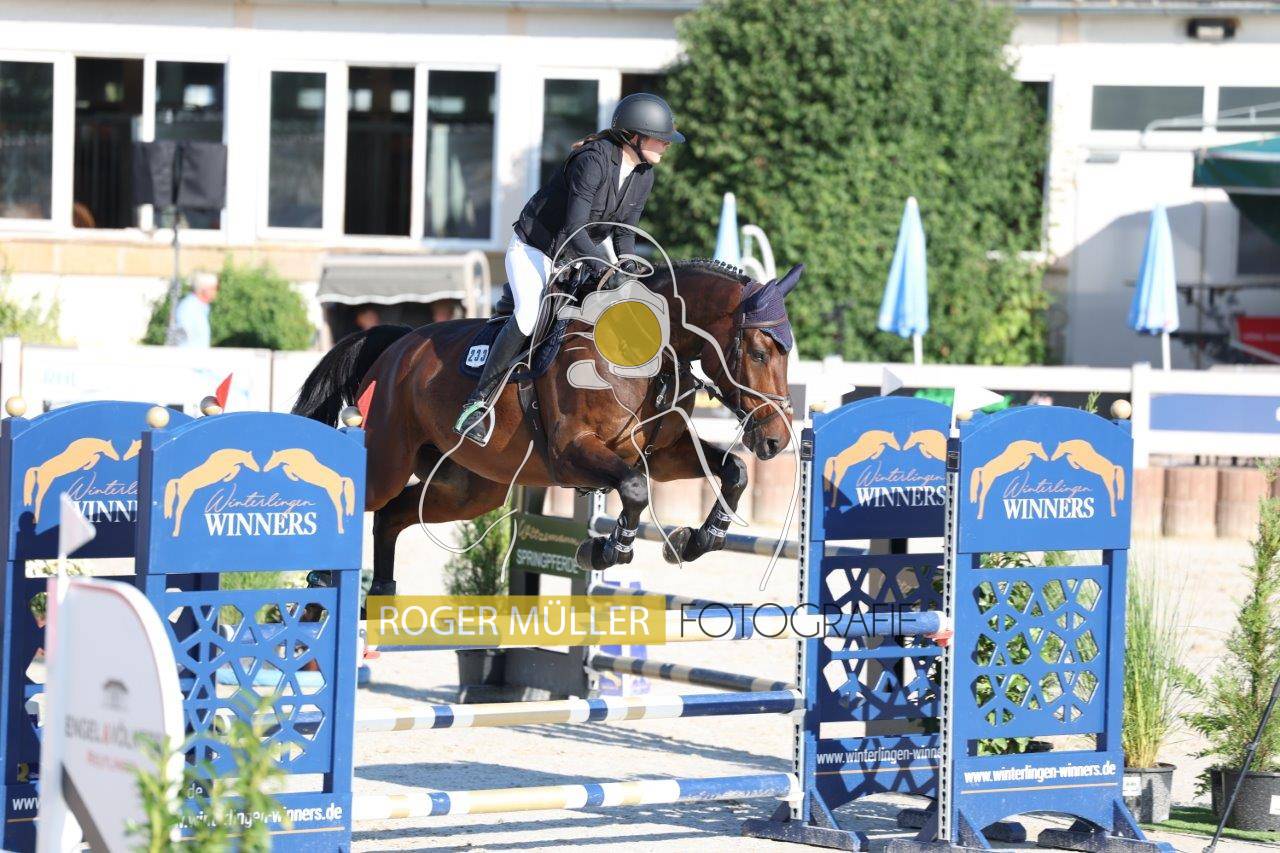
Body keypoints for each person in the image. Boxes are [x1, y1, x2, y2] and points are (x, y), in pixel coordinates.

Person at [454, 92, 684, 445]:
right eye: (660, 138)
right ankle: (477, 403)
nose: (666, 145)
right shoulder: (592, 160)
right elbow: (575, 227)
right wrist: (604, 270)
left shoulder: (644, 174)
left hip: (580, 252)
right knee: (530, 316)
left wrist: (630, 269)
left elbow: (624, 233)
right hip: (536, 248)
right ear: (634, 136)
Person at [173, 271, 218, 348]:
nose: (216, 292)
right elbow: (182, 340)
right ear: (204, 289)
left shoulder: (201, 307)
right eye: (214, 288)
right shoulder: (188, 308)